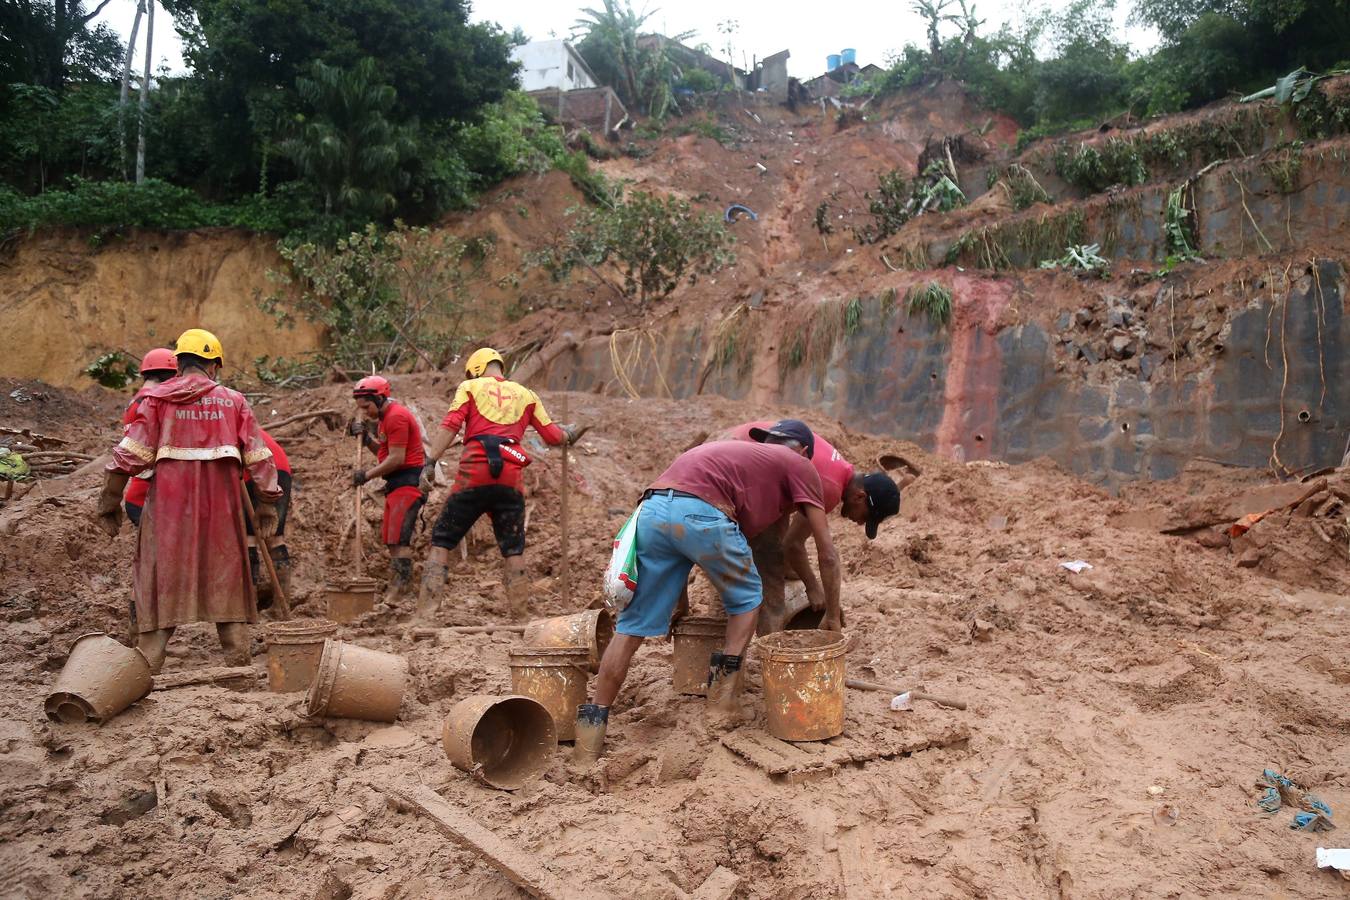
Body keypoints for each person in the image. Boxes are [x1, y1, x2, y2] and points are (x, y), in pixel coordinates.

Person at [573, 440, 840, 765]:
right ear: (803, 454)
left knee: (629, 627)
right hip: (700, 511)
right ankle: (721, 704)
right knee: (748, 601)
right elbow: (827, 553)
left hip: (652, 510)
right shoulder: (803, 466)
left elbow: (682, 545)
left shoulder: (740, 461)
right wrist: (833, 617)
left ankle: (589, 740)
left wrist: (680, 602)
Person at [95, 328, 280, 673]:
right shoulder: (234, 401)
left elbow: (127, 457)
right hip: (222, 511)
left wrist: (109, 502)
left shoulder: (155, 401)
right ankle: (237, 668)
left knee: (159, 577)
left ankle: (148, 665)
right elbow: (258, 456)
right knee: (228, 577)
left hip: (168, 511)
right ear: (213, 367)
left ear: (179, 364)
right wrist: (267, 502)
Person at [417, 347, 580, 620]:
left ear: (476, 368)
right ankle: (520, 615)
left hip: (474, 475)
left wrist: (431, 460)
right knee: (513, 547)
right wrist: (570, 434)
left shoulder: (469, 387)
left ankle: (425, 615)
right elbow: (553, 436)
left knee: (442, 540)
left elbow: (451, 425)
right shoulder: (527, 395)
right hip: (510, 477)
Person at [722, 419, 902, 633]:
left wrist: (822, 593)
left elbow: (790, 542)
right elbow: (799, 547)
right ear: (860, 497)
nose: (861, 522)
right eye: (867, 517)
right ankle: (772, 648)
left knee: (774, 548)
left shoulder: (839, 469)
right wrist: (818, 594)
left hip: (734, 446)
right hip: (739, 458)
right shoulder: (829, 488)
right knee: (770, 566)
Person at [349, 375, 426, 603]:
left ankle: (400, 592)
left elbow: (397, 458)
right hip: (395, 484)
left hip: (408, 483)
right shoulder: (384, 420)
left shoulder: (397, 417)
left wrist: (366, 475)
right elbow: (384, 454)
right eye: (360, 409)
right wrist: (367, 441)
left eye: (367, 407)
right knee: (392, 540)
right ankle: (398, 590)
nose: (364, 413)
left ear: (380, 398)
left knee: (399, 540)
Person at [121, 348, 179, 526]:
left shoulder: (137, 401)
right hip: (150, 496)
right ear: (170, 376)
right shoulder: (153, 403)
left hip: (139, 494)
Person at [244, 428, 293, 607]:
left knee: (248, 538)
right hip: (281, 471)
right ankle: (282, 605)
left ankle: (249, 607)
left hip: (253, 472)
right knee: (275, 538)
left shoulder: (220, 425)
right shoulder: (246, 423)